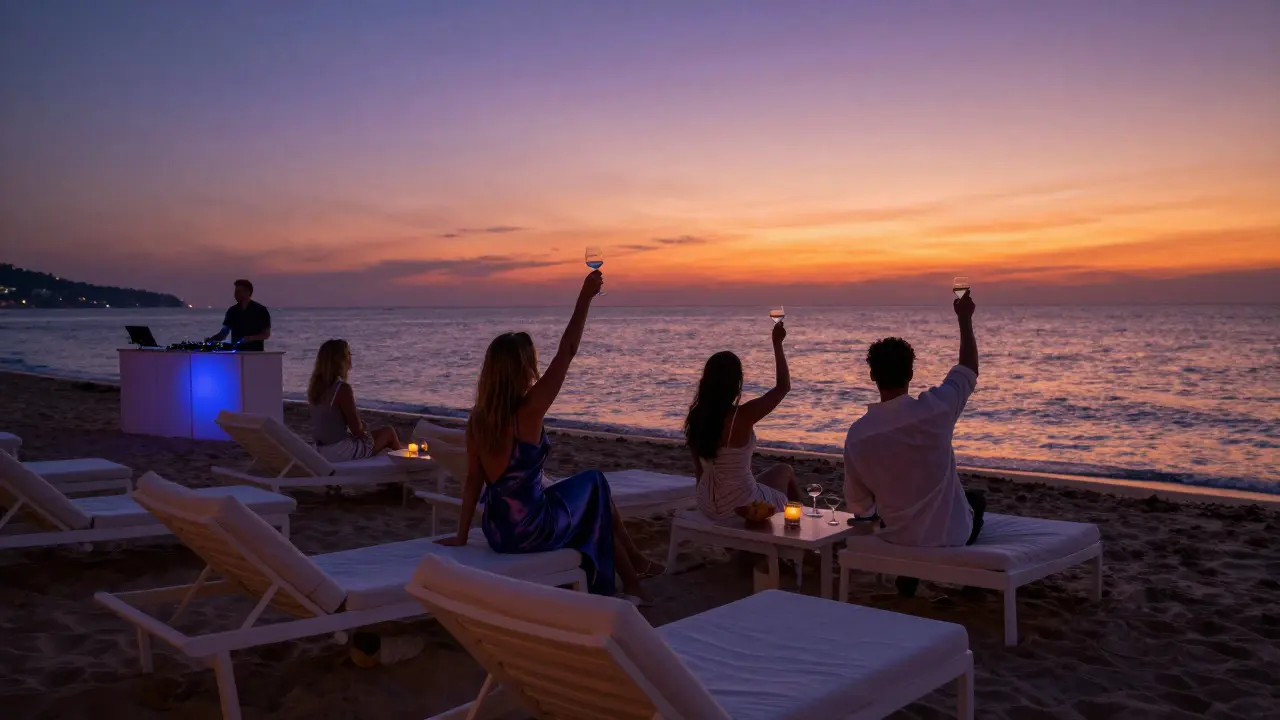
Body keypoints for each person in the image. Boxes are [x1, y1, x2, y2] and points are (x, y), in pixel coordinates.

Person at [435, 271, 663, 602]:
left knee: (590, 499)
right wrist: (584, 298)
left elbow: (473, 481)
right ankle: (633, 580)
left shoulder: (478, 420)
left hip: (498, 530)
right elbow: (567, 351)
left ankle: (634, 577)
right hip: (531, 528)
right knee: (596, 483)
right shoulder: (527, 412)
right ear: (521, 368)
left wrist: (461, 535)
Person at [843, 289, 982, 597]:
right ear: (911, 373)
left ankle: (911, 576)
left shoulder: (858, 435)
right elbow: (968, 370)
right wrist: (964, 319)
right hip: (952, 535)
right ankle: (972, 582)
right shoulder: (937, 409)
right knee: (976, 501)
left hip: (898, 535)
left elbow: (860, 504)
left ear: (872, 376)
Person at [685, 320, 800, 520]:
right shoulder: (743, 416)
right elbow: (783, 387)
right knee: (785, 471)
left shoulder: (697, 417)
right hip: (739, 504)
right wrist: (777, 344)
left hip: (706, 503)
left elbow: (699, 473)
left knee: (755, 480)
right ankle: (805, 539)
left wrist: (712, 507)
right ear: (736, 384)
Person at [307, 339, 402, 461]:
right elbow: (356, 430)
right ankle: (405, 470)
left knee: (378, 439)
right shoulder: (342, 389)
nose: (350, 357)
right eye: (348, 354)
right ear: (340, 360)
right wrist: (364, 428)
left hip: (321, 450)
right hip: (339, 452)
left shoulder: (316, 389)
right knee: (389, 433)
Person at [206, 279, 271, 351]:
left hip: (255, 353)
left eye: (239, 292)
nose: (236, 295)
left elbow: (266, 334)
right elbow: (224, 332)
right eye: (235, 292)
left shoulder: (261, 310)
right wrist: (212, 340)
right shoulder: (232, 311)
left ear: (248, 292)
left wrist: (250, 338)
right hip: (237, 353)